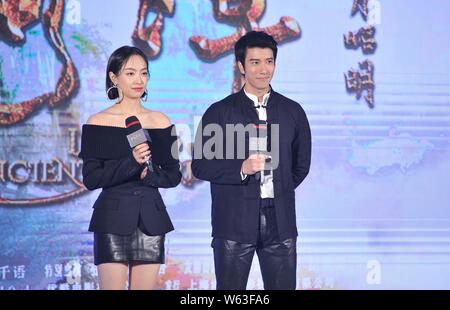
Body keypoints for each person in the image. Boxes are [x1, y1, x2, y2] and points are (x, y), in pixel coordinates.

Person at [191, 31, 311, 290]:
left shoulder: (293, 111)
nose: (263, 69)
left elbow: (301, 165)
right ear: (241, 66)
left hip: (280, 221)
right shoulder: (220, 112)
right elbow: (200, 165)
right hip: (232, 221)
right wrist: (241, 169)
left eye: (269, 61)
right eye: (255, 62)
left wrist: (279, 189)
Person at [78, 46, 181, 290]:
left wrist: (151, 175)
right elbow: (91, 178)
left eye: (144, 73)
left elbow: (174, 175)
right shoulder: (97, 122)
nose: (139, 80)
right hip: (111, 219)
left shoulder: (162, 121)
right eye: (131, 73)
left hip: (150, 220)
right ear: (114, 78)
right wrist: (131, 162)